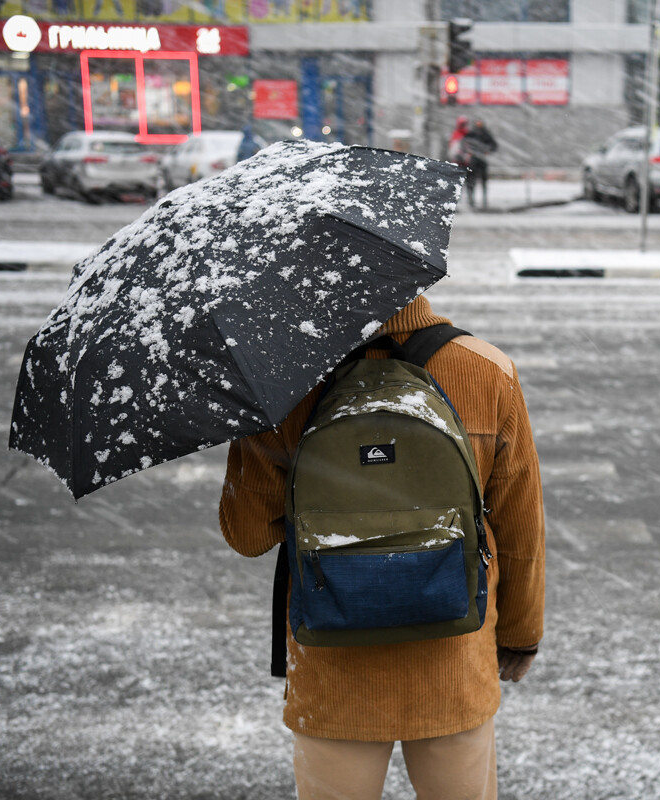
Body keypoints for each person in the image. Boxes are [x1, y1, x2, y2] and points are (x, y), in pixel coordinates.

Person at [219, 294, 546, 800]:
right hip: (453, 658)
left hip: (333, 668)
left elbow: (248, 535)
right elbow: (519, 527)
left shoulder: (284, 382)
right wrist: (521, 634)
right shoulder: (486, 369)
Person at [458, 119, 498, 210]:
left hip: (481, 160)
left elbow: (494, 146)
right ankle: (471, 199)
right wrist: (469, 152)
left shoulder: (485, 135)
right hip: (473, 161)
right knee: (471, 181)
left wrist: (487, 150)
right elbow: (463, 144)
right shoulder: (471, 134)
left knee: (482, 180)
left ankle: (483, 200)